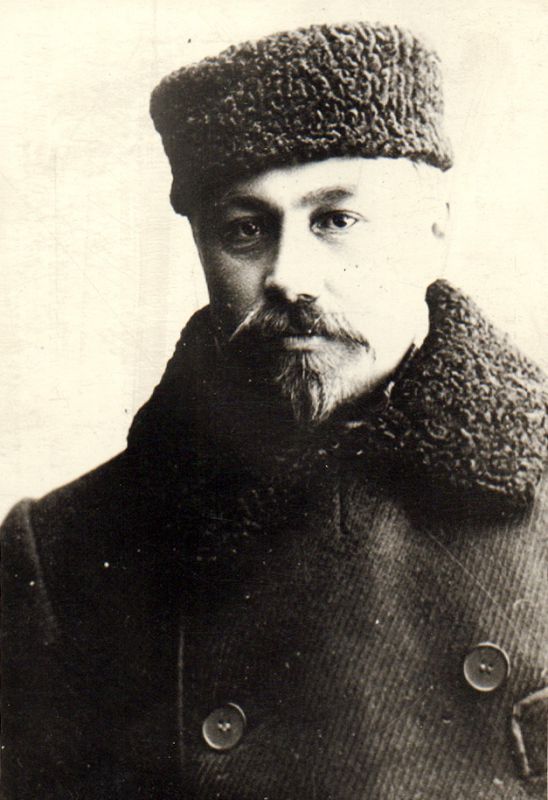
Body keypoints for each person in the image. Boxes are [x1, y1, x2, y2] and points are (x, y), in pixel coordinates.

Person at [2, 21, 547, 800]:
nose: (290, 276)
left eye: (335, 220)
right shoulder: (64, 554)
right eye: (246, 229)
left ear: (435, 229)